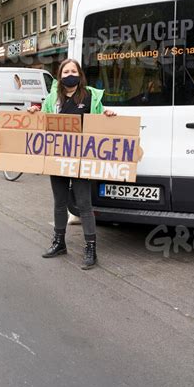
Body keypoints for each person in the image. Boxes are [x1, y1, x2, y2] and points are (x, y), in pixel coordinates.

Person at [29, 59, 116, 270]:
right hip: (57, 157)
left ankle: (91, 248)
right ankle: (59, 243)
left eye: (73, 70)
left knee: (84, 204)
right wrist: (35, 114)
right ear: (60, 75)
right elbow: (45, 122)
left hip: (80, 159)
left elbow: (100, 120)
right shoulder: (53, 98)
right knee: (59, 202)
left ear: (79, 74)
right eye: (65, 71)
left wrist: (108, 115)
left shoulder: (90, 97)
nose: (69, 74)